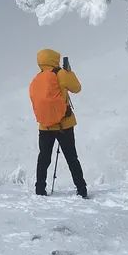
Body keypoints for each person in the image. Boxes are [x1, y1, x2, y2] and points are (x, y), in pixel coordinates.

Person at [30, 48, 88, 198]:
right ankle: (82, 189)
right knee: (71, 158)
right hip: (64, 125)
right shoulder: (61, 73)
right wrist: (69, 72)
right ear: (54, 59)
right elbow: (77, 88)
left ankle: (40, 189)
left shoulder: (36, 79)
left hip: (45, 126)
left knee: (44, 158)